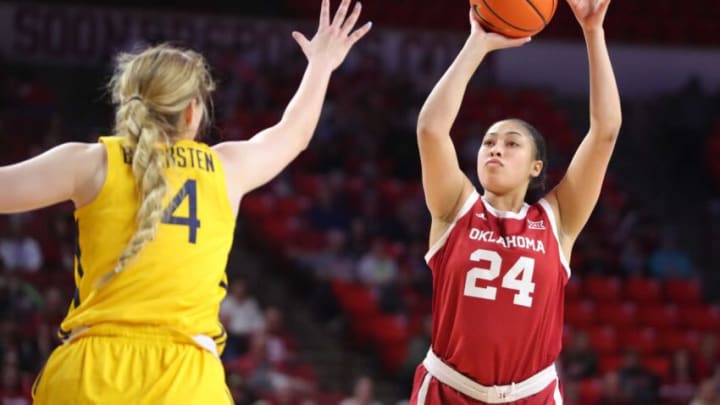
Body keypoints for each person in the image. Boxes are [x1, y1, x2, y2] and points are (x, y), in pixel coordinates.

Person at [0, 0, 371, 403]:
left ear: (129, 103)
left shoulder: (90, 163)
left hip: (89, 374)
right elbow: (293, 134)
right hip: (187, 381)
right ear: (193, 111)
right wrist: (320, 65)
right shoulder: (226, 169)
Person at [410, 0, 621, 403]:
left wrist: (594, 34)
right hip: (449, 390)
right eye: (488, 142)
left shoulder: (557, 220)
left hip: (532, 395)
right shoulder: (456, 207)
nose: (495, 149)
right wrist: (476, 43)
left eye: (511, 143)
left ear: (535, 167)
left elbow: (605, 131)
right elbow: (431, 130)